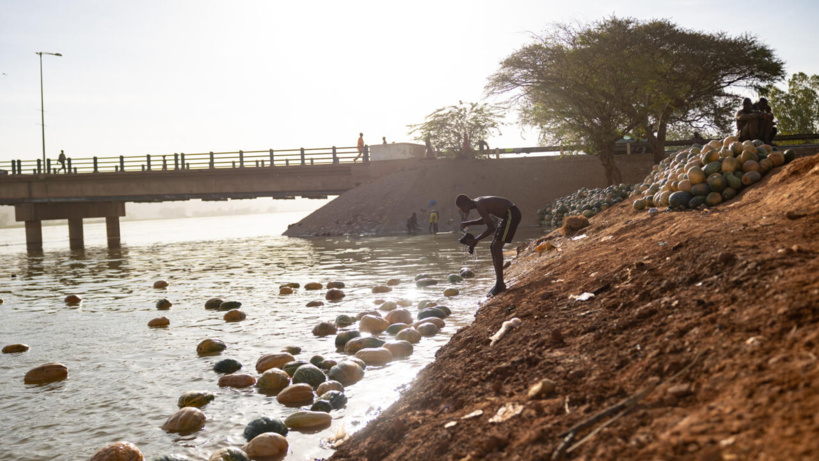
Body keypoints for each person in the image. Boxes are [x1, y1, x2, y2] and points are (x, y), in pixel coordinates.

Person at [456, 194, 521, 296]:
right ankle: (498, 282)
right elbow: (485, 220)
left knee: (496, 246)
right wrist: (470, 223)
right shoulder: (479, 203)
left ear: (466, 204)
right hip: (508, 215)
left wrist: (475, 240)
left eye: (461, 208)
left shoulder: (480, 205)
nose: (462, 211)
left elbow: (491, 228)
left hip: (511, 214)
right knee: (493, 247)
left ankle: (500, 284)